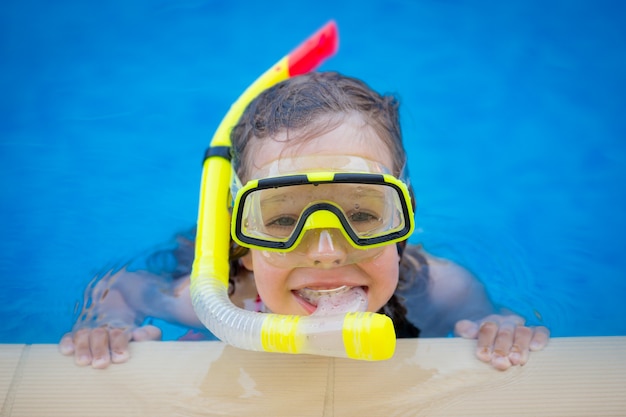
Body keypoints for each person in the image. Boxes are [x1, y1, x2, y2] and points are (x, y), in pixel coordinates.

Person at [59, 71, 549, 370]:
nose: (326, 249)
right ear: (244, 246)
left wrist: (498, 329)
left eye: (361, 212)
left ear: (404, 221)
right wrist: (107, 323)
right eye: (282, 219)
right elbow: (121, 288)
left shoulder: (441, 291)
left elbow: (491, 322)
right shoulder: (221, 299)